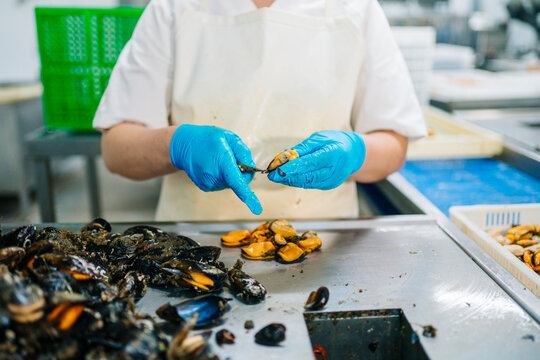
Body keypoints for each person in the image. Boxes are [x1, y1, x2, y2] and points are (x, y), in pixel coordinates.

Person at [93, 0, 426, 221]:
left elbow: (393, 143)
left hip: (326, 246)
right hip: (192, 246)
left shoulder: (356, 8)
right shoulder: (174, 6)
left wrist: (355, 152)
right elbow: (117, 148)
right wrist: (176, 145)